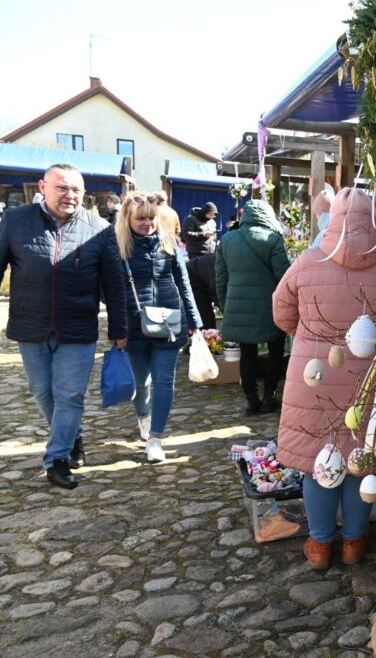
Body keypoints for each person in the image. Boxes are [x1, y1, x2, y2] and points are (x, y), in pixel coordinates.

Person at [273, 187, 376, 568]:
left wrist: (308, 339)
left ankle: (320, 545)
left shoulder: (307, 263)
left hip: (314, 376)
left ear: (333, 220)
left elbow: (281, 313)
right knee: (361, 459)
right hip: (373, 378)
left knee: (316, 462)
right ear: (375, 223)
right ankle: (354, 541)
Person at [0, 164, 128, 489]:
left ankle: (56, 460)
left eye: (76, 190)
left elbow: (114, 284)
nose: (70, 195)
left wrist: (119, 328)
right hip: (31, 325)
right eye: (62, 187)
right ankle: (73, 437)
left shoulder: (100, 228)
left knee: (69, 395)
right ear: (43, 187)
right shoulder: (15, 221)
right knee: (43, 392)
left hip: (77, 328)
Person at [116, 192, 202, 461]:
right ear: (128, 218)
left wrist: (195, 321)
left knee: (164, 382)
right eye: (141, 218)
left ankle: (155, 438)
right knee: (141, 383)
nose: (147, 223)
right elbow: (110, 290)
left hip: (169, 321)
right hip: (134, 323)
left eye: (152, 218)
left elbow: (184, 282)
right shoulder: (117, 247)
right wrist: (116, 329)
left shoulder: (169, 243)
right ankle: (143, 415)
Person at [215, 199, 289, 415]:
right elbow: (284, 277)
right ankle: (269, 397)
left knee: (247, 353)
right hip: (270, 306)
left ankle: (251, 401)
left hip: (238, 305)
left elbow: (220, 278)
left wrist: (225, 306)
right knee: (276, 351)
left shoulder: (227, 240)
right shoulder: (273, 239)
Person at [186, 252, 218, 330]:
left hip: (204, 277)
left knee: (208, 315)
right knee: (203, 314)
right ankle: (203, 337)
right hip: (193, 278)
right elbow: (217, 291)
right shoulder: (217, 265)